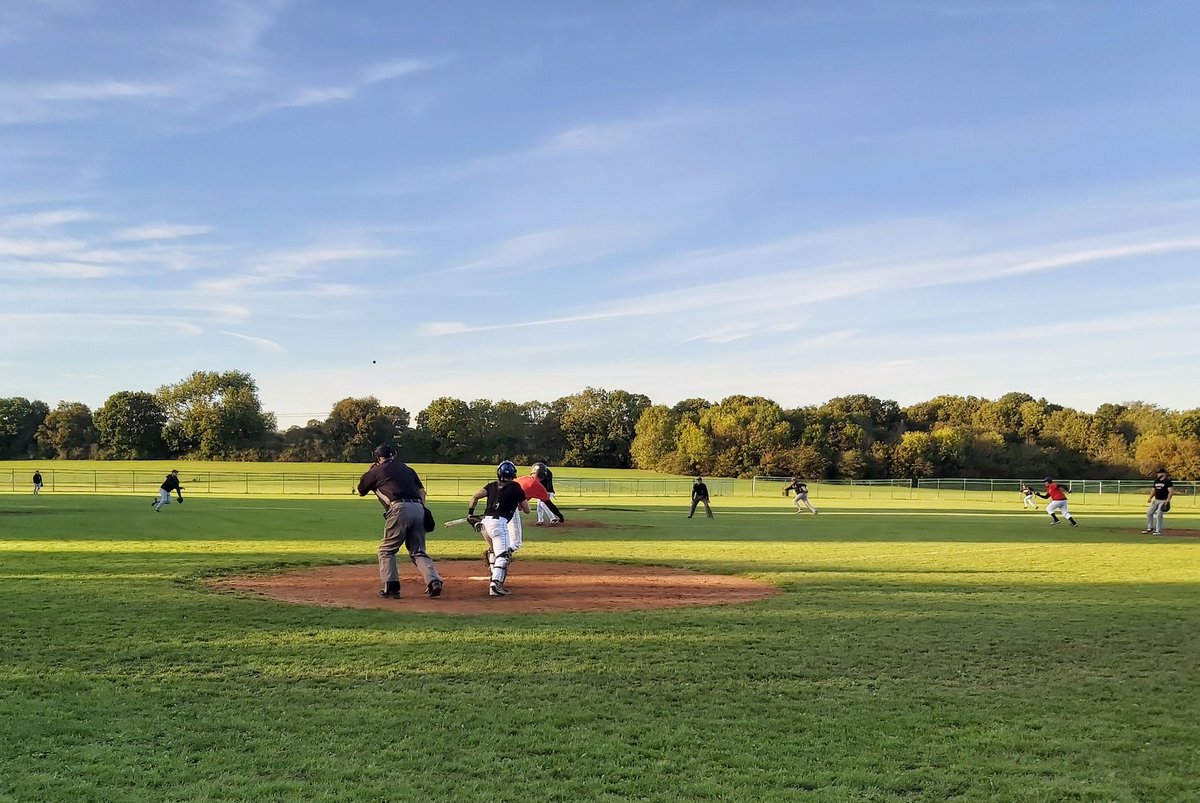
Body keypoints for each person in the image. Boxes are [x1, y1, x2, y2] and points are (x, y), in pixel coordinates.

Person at [357, 444, 443, 599]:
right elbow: (421, 491)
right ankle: (434, 580)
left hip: (399, 508)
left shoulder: (376, 470)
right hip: (418, 508)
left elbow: (361, 490)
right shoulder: (407, 469)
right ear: (394, 455)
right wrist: (422, 508)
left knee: (386, 550)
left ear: (377, 457)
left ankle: (392, 587)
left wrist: (371, 472)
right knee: (418, 551)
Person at [467, 460, 529, 597]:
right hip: (499, 524)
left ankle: (493, 573)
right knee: (503, 555)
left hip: (484, 523)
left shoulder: (491, 486)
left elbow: (475, 496)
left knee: (494, 551)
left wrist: (470, 514)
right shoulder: (516, 488)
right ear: (513, 474)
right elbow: (527, 510)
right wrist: (516, 500)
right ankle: (495, 584)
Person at [514, 469, 566, 552]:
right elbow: (549, 504)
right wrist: (560, 515)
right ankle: (502, 559)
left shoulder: (522, 478)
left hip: (500, 505)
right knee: (516, 542)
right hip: (510, 509)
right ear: (543, 476)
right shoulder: (537, 485)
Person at [1143, 467, 1175, 535]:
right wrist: (1150, 497)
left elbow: (1171, 491)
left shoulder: (1167, 481)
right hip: (1156, 500)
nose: (1158, 474)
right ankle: (1150, 527)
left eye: (1159, 473)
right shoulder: (1157, 481)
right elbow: (1153, 490)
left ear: (1163, 474)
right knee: (1149, 512)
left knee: (1159, 515)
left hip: (1163, 500)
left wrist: (1168, 501)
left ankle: (1158, 530)